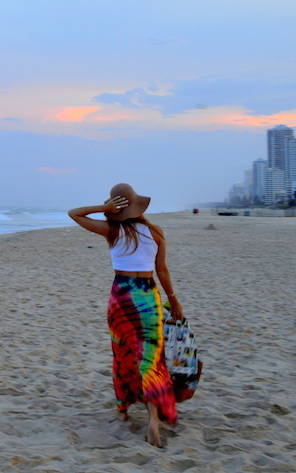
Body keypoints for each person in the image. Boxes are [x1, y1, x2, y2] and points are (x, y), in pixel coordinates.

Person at [67, 183, 184, 448]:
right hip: (148, 297)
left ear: (116, 208)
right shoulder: (155, 232)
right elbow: (162, 270)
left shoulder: (111, 230)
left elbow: (74, 214)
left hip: (121, 297)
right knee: (152, 357)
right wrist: (174, 300)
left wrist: (102, 209)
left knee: (123, 353)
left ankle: (124, 408)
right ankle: (153, 418)